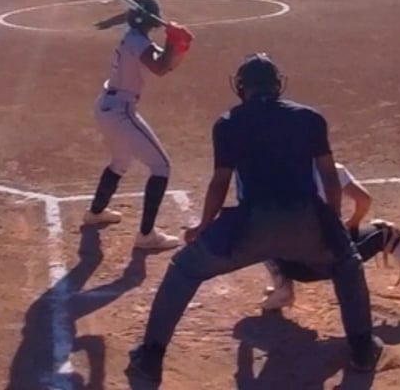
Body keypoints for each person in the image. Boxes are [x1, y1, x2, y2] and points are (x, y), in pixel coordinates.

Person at [125, 54, 382, 384]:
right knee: (348, 265)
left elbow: (220, 183)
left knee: (184, 269)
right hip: (305, 219)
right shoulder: (309, 118)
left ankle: (150, 358)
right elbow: (329, 178)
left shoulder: (227, 123)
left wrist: (204, 226)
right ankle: (362, 350)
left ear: (241, 87)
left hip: (249, 226)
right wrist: (329, 226)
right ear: (277, 85)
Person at [255, 160, 400, 314]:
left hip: (297, 269)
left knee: (261, 233)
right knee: (386, 232)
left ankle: (282, 289)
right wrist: (353, 222)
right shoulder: (331, 169)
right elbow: (364, 200)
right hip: (337, 261)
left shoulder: (269, 178)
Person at [83, 0, 192, 253]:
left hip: (108, 106)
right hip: (120, 110)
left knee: (120, 162)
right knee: (161, 166)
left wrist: (180, 46)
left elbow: (166, 63)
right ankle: (146, 235)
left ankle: (95, 213)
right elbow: (160, 68)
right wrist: (172, 40)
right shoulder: (137, 41)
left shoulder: (135, 38)